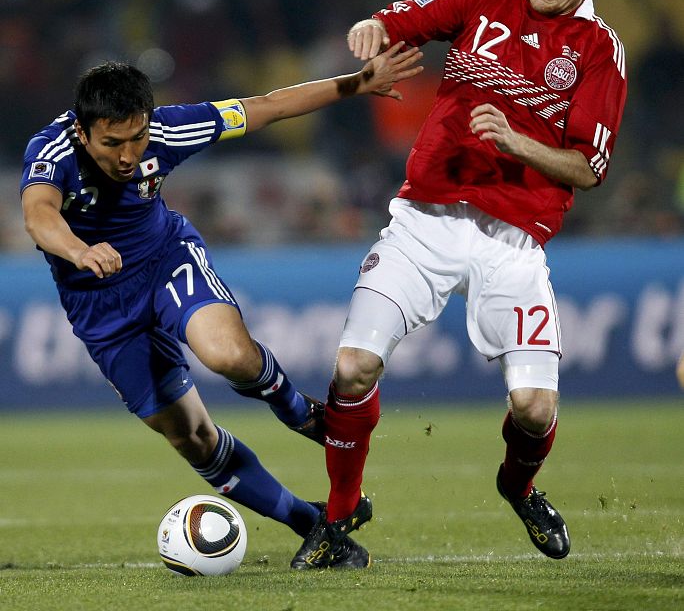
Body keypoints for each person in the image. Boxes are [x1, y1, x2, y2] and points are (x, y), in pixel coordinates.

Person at [292, 0, 627, 569]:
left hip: (513, 241)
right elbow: (405, 18)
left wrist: (516, 142)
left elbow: (588, 167)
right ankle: (336, 514)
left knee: (533, 410)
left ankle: (518, 485)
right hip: (426, 220)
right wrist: (371, 26)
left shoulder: (599, 51)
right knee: (353, 367)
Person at [20, 43, 423, 569]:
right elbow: (38, 213)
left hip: (164, 260)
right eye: (112, 143)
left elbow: (268, 106)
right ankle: (314, 525)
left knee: (226, 353)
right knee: (192, 436)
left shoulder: (167, 130)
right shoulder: (52, 151)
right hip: (100, 305)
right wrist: (79, 250)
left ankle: (301, 414)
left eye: (136, 138)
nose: (128, 156)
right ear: (82, 130)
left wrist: (355, 83)